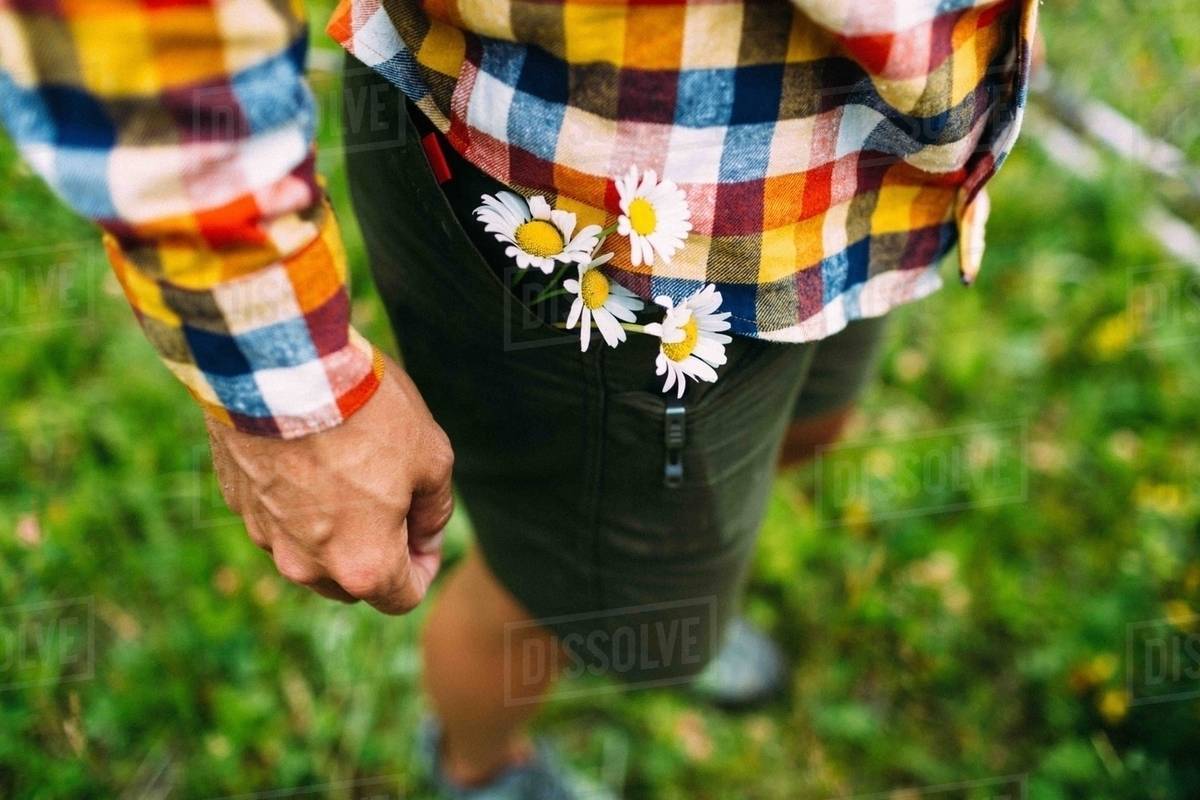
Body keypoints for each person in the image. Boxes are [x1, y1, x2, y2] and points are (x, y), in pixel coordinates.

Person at [0, 0, 1038, 796]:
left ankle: (661, 596)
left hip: (878, 180)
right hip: (590, 219)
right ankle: (481, 763)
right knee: (546, 586)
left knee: (775, 458)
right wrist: (287, 389)